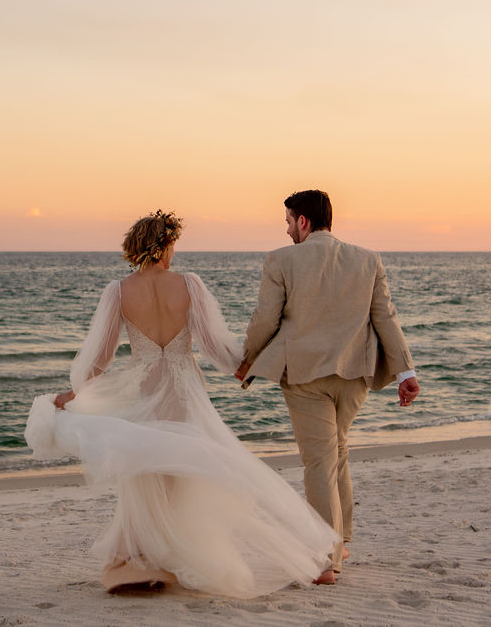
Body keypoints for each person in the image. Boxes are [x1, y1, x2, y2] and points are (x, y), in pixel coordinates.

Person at [24, 210, 338, 598]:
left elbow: (99, 358)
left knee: (145, 473)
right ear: (166, 244)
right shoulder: (190, 285)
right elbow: (213, 345)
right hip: (184, 391)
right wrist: (244, 367)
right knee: (194, 472)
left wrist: (75, 394)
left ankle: (142, 560)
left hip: (143, 392)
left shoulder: (118, 291)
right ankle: (187, 555)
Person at [234, 189, 420, 586]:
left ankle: (325, 560)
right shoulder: (367, 259)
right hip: (355, 375)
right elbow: (385, 317)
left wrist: (247, 358)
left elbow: (266, 320)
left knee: (319, 461)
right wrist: (405, 373)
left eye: (288, 221)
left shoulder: (281, 260)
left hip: (304, 375)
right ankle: (342, 541)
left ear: (303, 221)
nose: (286, 230)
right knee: (337, 453)